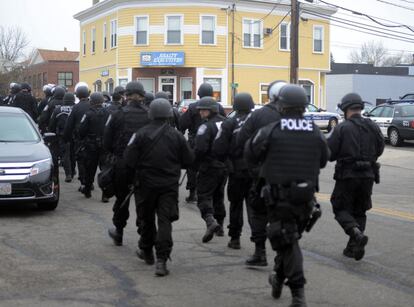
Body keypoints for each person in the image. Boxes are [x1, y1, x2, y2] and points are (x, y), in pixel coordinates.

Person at [245, 84, 329, 306]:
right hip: (305, 200)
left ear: (281, 106)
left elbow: (250, 153)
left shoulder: (271, 130)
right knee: (287, 241)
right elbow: (323, 159)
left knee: (288, 243)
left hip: (279, 199)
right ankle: (277, 278)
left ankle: (298, 294)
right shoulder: (315, 131)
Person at [124, 98, 194, 276]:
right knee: (165, 222)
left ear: (151, 113)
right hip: (168, 186)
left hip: (145, 185)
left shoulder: (140, 134)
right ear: (169, 114)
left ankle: (147, 252)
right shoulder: (177, 135)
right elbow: (189, 160)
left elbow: (129, 159)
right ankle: (161, 260)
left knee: (146, 219)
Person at [328, 93, 384, 261]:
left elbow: (330, 153)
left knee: (340, 208)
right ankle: (353, 247)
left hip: (348, 176)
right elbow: (380, 148)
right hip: (368, 175)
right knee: (360, 211)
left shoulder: (342, 128)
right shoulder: (373, 126)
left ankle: (355, 234)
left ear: (345, 109)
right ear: (360, 108)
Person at [237, 80, 286, 267]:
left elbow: (242, 139)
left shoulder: (258, 115)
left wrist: (251, 165)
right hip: (289, 175)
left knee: (258, 212)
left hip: (262, 173)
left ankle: (260, 252)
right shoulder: (298, 118)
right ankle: (283, 256)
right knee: (283, 216)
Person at [104, 81, 150, 246]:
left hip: (123, 164)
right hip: (144, 166)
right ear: (142, 96)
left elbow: (106, 141)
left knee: (121, 199)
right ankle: (144, 235)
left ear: (126, 95)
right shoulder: (150, 114)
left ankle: (119, 232)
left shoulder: (117, 114)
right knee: (143, 201)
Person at [213, 93, 255, 249]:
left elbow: (218, 147)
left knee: (235, 205)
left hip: (235, 170)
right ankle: (258, 241)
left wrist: (226, 161)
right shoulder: (257, 121)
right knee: (254, 206)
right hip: (254, 170)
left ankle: (235, 238)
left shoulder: (229, 123)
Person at [179, 83, 226, 203]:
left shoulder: (193, 106)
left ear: (199, 94)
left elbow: (183, 123)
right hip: (215, 141)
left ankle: (192, 192)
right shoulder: (218, 107)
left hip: (196, 140)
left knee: (192, 167)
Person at [193, 96, 227, 243]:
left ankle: (210, 221)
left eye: (203, 110)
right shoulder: (226, 123)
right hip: (224, 167)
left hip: (209, 166)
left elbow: (200, 148)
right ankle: (220, 227)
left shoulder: (205, 127)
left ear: (211, 110)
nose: (200, 113)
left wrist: (193, 162)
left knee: (204, 196)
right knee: (219, 196)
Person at [78, 92, 110, 199]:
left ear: (91, 102)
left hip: (91, 145)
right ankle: (105, 194)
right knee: (105, 169)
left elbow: (81, 130)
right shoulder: (108, 113)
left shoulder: (88, 114)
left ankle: (87, 190)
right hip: (105, 145)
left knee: (89, 169)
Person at [63, 82, 91, 192]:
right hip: (93, 139)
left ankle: (84, 182)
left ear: (78, 95)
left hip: (80, 140)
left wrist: (66, 138)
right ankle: (90, 182)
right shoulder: (93, 106)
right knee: (91, 161)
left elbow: (69, 125)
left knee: (81, 161)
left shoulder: (76, 108)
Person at [48, 92, 76, 183]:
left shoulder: (58, 109)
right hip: (75, 135)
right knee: (73, 154)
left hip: (62, 135)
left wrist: (52, 131)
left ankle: (68, 173)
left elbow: (52, 123)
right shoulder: (77, 108)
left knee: (65, 154)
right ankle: (72, 171)